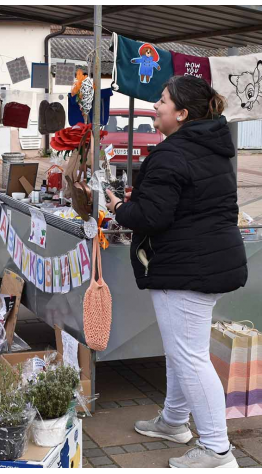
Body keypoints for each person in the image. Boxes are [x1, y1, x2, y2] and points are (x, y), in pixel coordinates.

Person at [105, 75, 248, 469]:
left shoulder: (173, 153)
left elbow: (151, 215)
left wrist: (118, 207)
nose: (156, 106)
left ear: (182, 113)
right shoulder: (211, 147)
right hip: (208, 261)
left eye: (163, 101)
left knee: (190, 357)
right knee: (184, 351)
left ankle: (217, 451)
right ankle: (172, 422)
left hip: (187, 268)